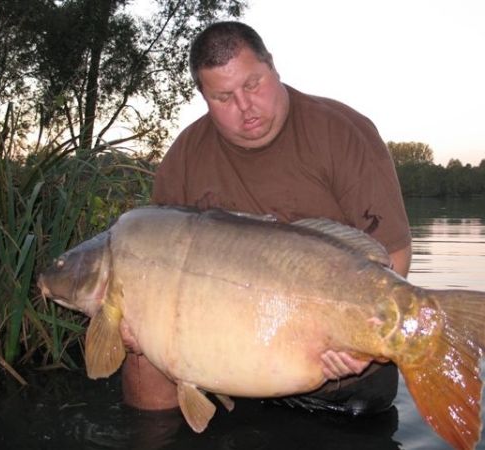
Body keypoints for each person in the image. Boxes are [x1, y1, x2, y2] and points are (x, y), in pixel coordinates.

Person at [120, 21, 412, 417]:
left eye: (253, 84)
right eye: (223, 97)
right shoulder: (186, 157)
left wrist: (359, 343)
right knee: (139, 351)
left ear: (272, 67)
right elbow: (157, 263)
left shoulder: (341, 132)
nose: (245, 107)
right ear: (203, 96)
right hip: (227, 356)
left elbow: (394, 252)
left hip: (333, 369)